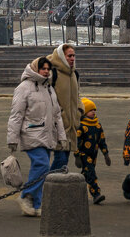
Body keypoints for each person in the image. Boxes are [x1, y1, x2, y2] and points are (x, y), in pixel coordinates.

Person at [7, 56, 69, 217]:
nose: (46, 71)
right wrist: (12, 139)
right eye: (43, 69)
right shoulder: (24, 88)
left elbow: (57, 115)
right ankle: (25, 196)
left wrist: (62, 137)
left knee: (42, 169)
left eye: (48, 69)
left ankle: (36, 204)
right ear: (36, 69)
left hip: (47, 135)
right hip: (31, 133)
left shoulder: (49, 88)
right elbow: (16, 115)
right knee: (42, 165)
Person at [47, 42, 83, 170]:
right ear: (62, 56)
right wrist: (59, 112)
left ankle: (51, 186)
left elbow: (77, 94)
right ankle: (48, 185)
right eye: (69, 56)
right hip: (58, 124)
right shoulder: (53, 73)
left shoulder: (75, 74)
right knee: (61, 159)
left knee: (64, 160)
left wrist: (80, 110)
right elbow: (46, 96)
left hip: (71, 125)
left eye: (73, 55)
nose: (72, 58)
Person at [74, 97, 111, 204]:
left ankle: (75, 191)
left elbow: (102, 141)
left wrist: (106, 154)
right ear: (84, 112)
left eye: (94, 110)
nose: (93, 112)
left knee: (86, 175)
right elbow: (77, 142)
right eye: (90, 110)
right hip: (84, 155)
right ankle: (96, 194)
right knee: (91, 174)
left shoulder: (98, 126)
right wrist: (77, 156)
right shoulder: (81, 126)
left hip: (94, 155)